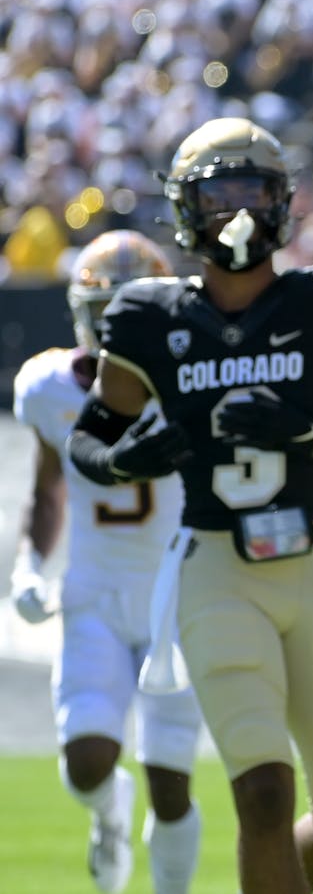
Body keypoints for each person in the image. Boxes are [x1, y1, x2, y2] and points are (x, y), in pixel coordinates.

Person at [65, 117, 313, 894]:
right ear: (183, 205)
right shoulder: (149, 318)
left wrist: (312, 434)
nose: (237, 209)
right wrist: (127, 456)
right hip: (217, 568)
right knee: (264, 792)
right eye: (218, 191)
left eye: (252, 190)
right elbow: (89, 441)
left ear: (283, 202)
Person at [8, 230, 204, 894]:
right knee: (88, 762)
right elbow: (48, 485)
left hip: (177, 595)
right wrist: (29, 564)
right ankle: (108, 812)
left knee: (172, 783)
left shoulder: (194, 380)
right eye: (105, 312)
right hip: (94, 587)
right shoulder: (50, 389)